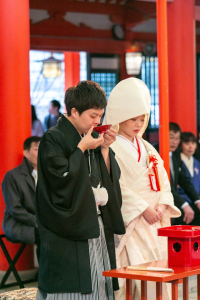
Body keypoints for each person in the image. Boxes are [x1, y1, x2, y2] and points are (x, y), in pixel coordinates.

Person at [35, 80, 125, 300]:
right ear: (74, 111)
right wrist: (81, 149)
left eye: (100, 116)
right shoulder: (53, 138)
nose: (98, 121)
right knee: (72, 289)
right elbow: (59, 182)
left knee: (98, 285)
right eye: (93, 115)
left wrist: (104, 148)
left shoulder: (91, 137)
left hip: (94, 224)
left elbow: (108, 179)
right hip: (66, 228)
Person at [103, 78, 181, 300]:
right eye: (132, 119)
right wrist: (143, 208)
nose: (138, 124)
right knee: (134, 279)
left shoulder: (147, 147)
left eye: (142, 119)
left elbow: (164, 180)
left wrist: (162, 205)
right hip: (133, 222)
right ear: (120, 118)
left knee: (159, 274)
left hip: (155, 220)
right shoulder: (111, 147)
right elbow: (115, 186)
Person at [1, 136, 41, 252]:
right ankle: (45, 270)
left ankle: (50, 269)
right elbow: (14, 209)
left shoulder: (48, 174)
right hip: (17, 223)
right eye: (37, 149)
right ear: (26, 153)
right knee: (47, 235)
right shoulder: (12, 176)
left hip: (42, 222)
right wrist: (39, 222)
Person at [169, 123, 200, 225]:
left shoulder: (175, 154)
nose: (174, 142)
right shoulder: (156, 152)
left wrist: (197, 200)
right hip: (171, 200)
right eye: (171, 137)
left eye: (177, 138)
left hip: (184, 200)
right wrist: (184, 204)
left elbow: (184, 180)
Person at [177, 131, 200, 225]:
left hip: (196, 202)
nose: (191, 146)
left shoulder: (197, 162)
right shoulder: (177, 161)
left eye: (193, 143)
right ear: (180, 144)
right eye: (187, 143)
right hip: (181, 203)